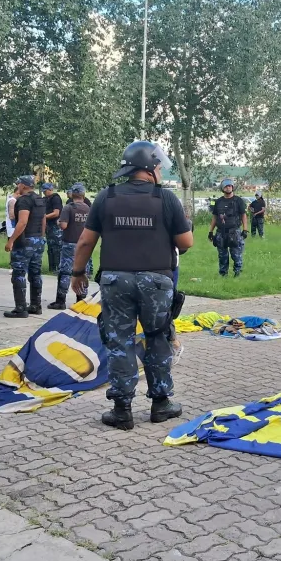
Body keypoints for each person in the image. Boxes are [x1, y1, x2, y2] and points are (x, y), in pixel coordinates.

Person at [70, 141, 193, 430]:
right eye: (159, 166)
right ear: (149, 167)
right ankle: (161, 404)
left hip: (116, 281)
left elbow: (86, 241)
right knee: (158, 338)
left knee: (120, 341)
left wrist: (77, 273)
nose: (161, 170)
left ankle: (122, 410)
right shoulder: (166, 199)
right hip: (156, 281)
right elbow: (185, 243)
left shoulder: (106, 196)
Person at [5, 175, 46, 318]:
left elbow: (22, 222)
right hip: (38, 240)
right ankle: (36, 305)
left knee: (19, 273)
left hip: (25, 241)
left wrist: (11, 241)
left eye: (19, 184)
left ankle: (20, 308)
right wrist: (42, 236)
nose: (18, 186)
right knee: (35, 273)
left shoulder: (23, 201)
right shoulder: (39, 199)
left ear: (23, 185)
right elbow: (43, 219)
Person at [48, 182, 91, 309]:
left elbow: (64, 225)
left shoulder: (69, 207)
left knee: (65, 272)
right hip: (85, 244)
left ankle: (60, 301)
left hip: (69, 244)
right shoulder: (89, 208)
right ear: (83, 195)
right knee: (83, 271)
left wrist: (58, 222)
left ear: (72, 194)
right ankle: (81, 301)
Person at [209, 178, 247, 277]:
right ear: (222, 188)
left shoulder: (238, 200)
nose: (228, 187)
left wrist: (245, 229)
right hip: (221, 232)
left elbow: (243, 215)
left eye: (230, 186)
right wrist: (210, 232)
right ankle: (223, 274)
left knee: (236, 254)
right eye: (226, 186)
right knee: (222, 255)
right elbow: (214, 217)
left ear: (232, 187)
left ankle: (237, 273)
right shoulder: (218, 202)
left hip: (234, 232)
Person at [43, 183, 64, 273]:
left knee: (57, 248)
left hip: (55, 226)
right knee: (50, 247)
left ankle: (58, 268)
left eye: (45, 191)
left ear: (50, 189)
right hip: (48, 226)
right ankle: (52, 268)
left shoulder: (55, 198)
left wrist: (44, 217)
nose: (44, 193)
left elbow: (56, 213)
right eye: (43, 191)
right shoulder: (45, 199)